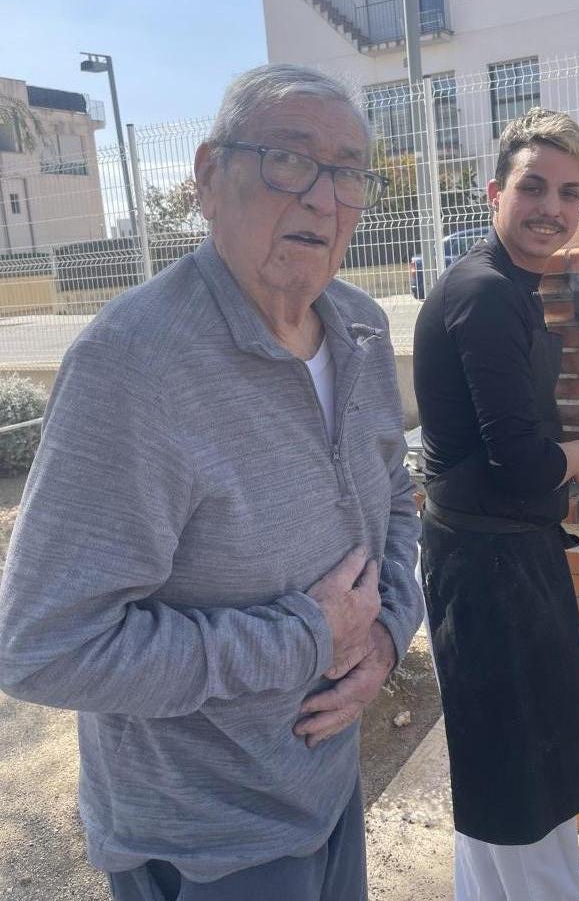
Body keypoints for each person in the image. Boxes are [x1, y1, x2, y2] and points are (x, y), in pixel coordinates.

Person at [0, 64, 423, 901]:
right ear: (206, 177)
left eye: (347, 173)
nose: (322, 198)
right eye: (288, 159)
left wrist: (383, 635)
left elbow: (395, 499)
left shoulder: (362, 329)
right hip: (206, 842)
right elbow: (44, 648)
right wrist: (305, 638)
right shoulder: (134, 365)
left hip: (327, 789)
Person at [413, 106, 579, 901]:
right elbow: (521, 461)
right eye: (533, 187)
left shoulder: (509, 285)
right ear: (495, 192)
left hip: (495, 556)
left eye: (569, 192)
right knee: (522, 785)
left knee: (503, 773)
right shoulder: (487, 293)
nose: (550, 208)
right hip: (486, 569)